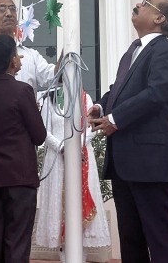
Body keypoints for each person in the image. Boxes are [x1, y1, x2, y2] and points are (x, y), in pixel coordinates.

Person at [88, 0, 168, 263]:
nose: (137, 5)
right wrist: (101, 107)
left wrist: (116, 119)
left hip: (151, 161)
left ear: (159, 18)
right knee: (131, 238)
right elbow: (118, 91)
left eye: (145, 3)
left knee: (160, 238)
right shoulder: (132, 50)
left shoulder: (167, 50)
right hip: (124, 159)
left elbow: (158, 92)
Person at [0, 34, 47, 263]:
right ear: (12, 61)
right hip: (19, 174)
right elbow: (39, 135)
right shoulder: (22, 90)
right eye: (16, 54)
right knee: (17, 239)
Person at [34, 77, 112, 253]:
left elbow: (92, 127)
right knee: (59, 210)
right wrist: (62, 147)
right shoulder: (49, 99)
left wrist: (75, 147)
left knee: (80, 218)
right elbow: (43, 130)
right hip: (56, 160)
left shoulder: (85, 99)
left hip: (82, 158)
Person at [0, 0, 55, 91]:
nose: (9, 13)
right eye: (2, 9)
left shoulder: (31, 55)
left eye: (13, 9)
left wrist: (67, 51)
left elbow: (54, 76)